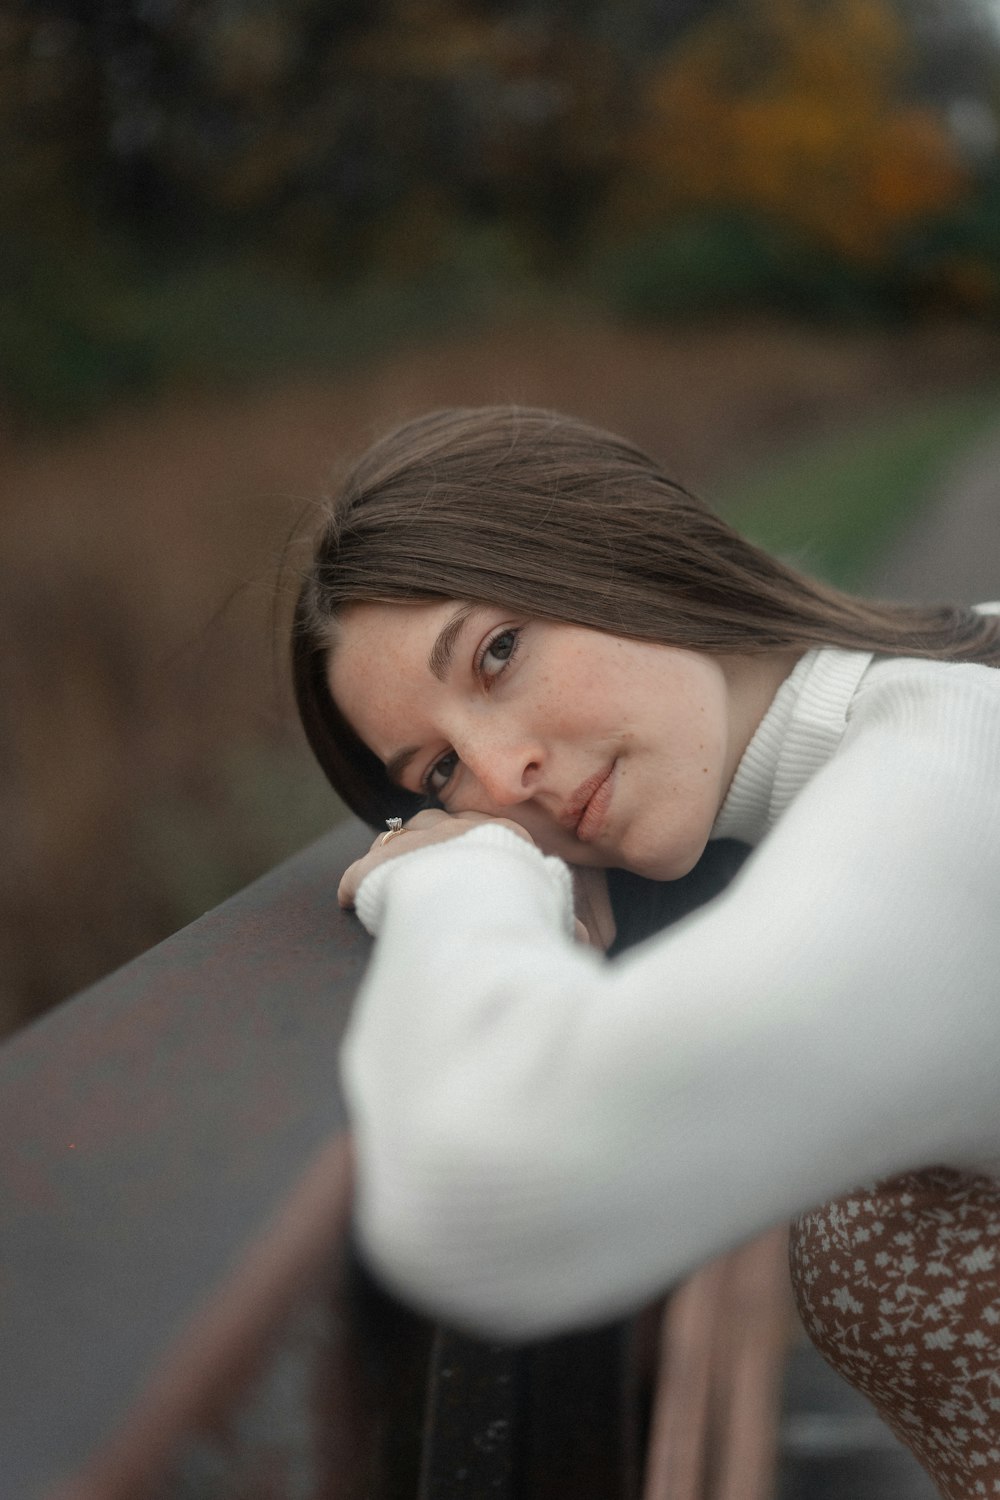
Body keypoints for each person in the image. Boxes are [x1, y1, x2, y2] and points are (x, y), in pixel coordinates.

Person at [292, 405, 1000, 1499]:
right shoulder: (927, 710)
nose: (501, 776)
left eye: (497, 653)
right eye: (435, 778)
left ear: (621, 546)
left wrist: (455, 873)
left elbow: (483, 1196)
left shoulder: (947, 786)